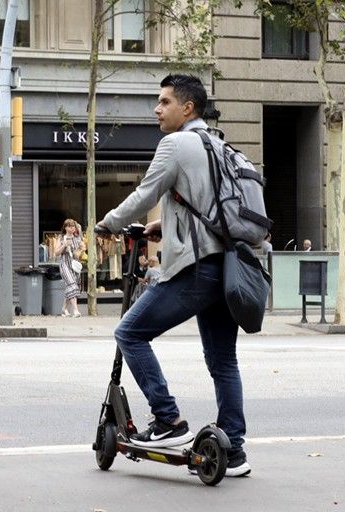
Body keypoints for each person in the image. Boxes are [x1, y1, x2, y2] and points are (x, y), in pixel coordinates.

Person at [95, 73, 251, 478]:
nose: (156, 108)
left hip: (194, 269)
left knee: (129, 332)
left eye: (164, 102)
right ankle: (233, 451)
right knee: (222, 361)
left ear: (188, 108)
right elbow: (210, 202)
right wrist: (164, 225)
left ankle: (168, 420)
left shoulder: (175, 144)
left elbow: (145, 193)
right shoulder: (219, 144)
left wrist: (109, 222)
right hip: (227, 268)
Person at [54, 219, 85, 317]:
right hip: (65, 264)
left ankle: (64, 309)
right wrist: (64, 245)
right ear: (66, 227)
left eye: (74, 226)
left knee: (71, 287)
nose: (72, 228)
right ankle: (75, 310)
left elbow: (83, 248)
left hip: (74, 265)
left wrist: (79, 251)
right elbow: (56, 253)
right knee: (72, 285)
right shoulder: (61, 238)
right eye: (70, 226)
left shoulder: (77, 238)